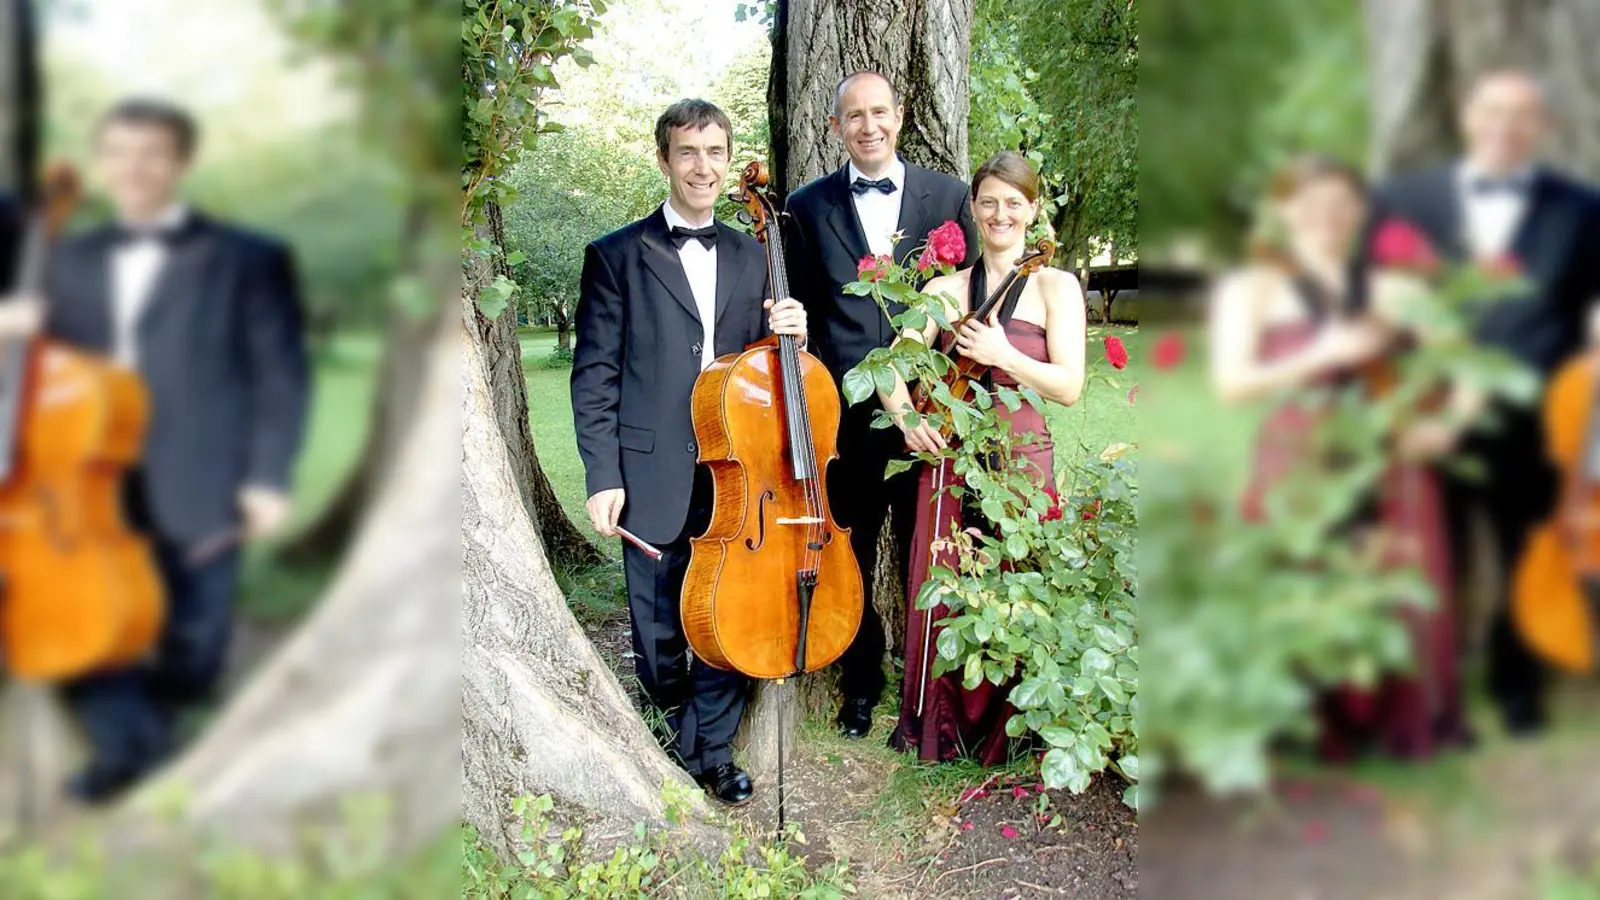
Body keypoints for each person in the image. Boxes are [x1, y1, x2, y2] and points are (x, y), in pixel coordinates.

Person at [0, 97, 310, 801]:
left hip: (200, 474)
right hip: (79, 479)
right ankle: (131, 754)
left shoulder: (248, 258)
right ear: (101, 162)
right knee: (82, 625)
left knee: (193, 647)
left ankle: (165, 729)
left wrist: (268, 476)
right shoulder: (64, 259)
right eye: (117, 153)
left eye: (151, 154)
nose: (132, 168)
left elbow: (281, 374)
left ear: (180, 161)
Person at [569, 98, 808, 805]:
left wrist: (793, 333)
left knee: (728, 609)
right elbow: (595, 375)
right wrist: (602, 475)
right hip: (650, 467)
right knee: (658, 618)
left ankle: (712, 751)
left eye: (715, 153)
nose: (703, 167)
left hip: (739, 469)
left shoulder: (755, 254)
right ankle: (673, 733)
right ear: (664, 160)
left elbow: (773, 373)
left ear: (728, 160)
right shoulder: (616, 255)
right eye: (688, 153)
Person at [1361, 67, 1600, 737]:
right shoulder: (1403, 198)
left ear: (1544, 128)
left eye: (1523, 116)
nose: (1505, 128)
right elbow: (1371, 298)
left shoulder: (1583, 209)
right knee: (1434, 559)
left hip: (1537, 420)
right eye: (1493, 112)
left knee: (1527, 555)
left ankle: (1517, 688)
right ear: (1468, 118)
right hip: (1428, 413)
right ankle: (1433, 697)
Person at [1214, 153, 1476, 761]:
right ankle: (1306, 718)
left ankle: (1394, 717)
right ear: (1284, 210)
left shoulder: (1393, 288)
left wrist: (1447, 425)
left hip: (1384, 457)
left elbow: (1464, 363)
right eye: (1310, 204)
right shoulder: (1253, 290)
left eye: (1340, 204)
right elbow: (1233, 385)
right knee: (1296, 578)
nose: (1325, 216)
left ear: (1359, 212)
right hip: (1295, 459)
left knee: (1391, 576)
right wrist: (1323, 351)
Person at [781, 70, 980, 740]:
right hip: (844, 421)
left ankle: (930, 695)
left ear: (899, 116)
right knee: (852, 559)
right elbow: (800, 311)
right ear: (835, 126)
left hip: (928, 418)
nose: (868, 126)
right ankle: (860, 685)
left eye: (878, 112)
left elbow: (969, 301)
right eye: (854, 116)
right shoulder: (806, 206)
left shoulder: (949, 197)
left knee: (929, 556)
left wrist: (943, 395)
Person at [873, 151, 1084, 763]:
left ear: (1032, 211)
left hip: (1022, 461)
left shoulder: (1055, 286)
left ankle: (1013, 734)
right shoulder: (944, 290)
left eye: (1013, 203)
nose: (1000, 213)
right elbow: (888, 367)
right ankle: (941, 728)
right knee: (946, 586)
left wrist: (1004, 354)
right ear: (972, 207)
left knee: (1020, 583)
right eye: (988, 201)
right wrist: (907, 418)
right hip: (950, 460)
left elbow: (1069, 386)